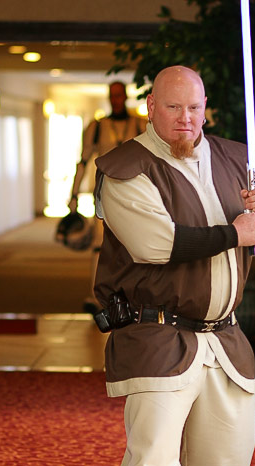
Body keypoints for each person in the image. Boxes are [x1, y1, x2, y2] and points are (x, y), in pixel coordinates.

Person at [93, 66, 255, 466]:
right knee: (152, 462)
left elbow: (254, 231)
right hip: (157, 334)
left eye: (194, 108)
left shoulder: (233, 158)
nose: (185, 119)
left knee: (225, 461)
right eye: (173, 108)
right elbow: (157, 244)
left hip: (223, 336)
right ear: (152, 107)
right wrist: (236, 232)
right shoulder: (125, 168)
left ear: (205, 107)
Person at [67, 81, 144, 312]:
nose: (116, 100)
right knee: (99, 243)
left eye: (119, 95)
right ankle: (95, 296)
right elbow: (83, 160)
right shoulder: (97, 127)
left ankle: (130, 295)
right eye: (112, 95)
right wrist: (73, 194)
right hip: (104, 193)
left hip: (133, 193)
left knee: (132, 244)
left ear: (125, 97)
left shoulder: (140, 125)